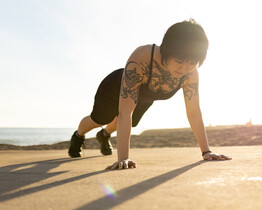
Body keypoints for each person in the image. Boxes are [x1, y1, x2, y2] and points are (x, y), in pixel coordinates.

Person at [68, 19, 232, 169]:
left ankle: (104, 135)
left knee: (129, 123)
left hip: (144, 98)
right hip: (114, 88)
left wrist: (206, 152)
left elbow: (194, 112)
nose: (184, 68)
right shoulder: (143, 57)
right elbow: (125, 111)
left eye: (191, 62)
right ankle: (78, 136)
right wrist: (123, 158)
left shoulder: (191, 74)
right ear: (167, 50)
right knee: (100, 118)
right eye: (179, 61)